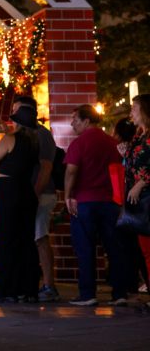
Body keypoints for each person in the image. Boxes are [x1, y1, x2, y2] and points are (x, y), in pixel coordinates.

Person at [64, 103, 128, 306]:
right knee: (113, 248)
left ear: (86, 121)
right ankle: (119, 293)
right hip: (110, 202)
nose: (72, 123)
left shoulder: (79, 143)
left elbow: (71, 171)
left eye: (75, 119)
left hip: (84, 201)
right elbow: (120, 171)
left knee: (85, 248)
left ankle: (88, 293)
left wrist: (67, 195)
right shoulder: (112, 143)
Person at [0, 104, 40, 303]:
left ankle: (8, 290)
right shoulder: (34, 142)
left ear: (16, 122)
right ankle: (29, 289)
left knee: (7, 239)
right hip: (27, 191)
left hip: (9, 191)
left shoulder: (9, 139)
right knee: (26, 240)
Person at [12, 95, 61, 302]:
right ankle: (28, 283)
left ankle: (49, 286)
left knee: (40, 238)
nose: (13, 115)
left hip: (42, 193)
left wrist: (34, 194)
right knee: (31, 238)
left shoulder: (41, 134)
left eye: (16, 110)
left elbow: (46, 167)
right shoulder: (24, 134)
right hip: (29, 193)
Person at [125, 95, 150, 296]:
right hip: (139, 199)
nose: (131, 112)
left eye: (134, 108)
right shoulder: (138, 135)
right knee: (145, 249)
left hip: (146, 194)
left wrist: (141, 183)